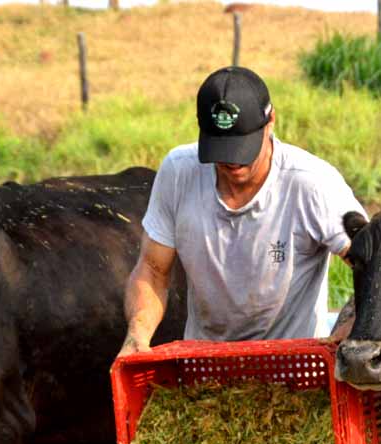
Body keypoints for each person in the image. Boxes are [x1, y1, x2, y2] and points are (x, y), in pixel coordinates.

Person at [117, 66, 364, 357]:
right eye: (222, 150)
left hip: (294, 364)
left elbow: (376, 265)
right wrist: (138, 333)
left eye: (242, 148)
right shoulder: (179, 172)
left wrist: (348, 325)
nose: (233, 163)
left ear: (270, 121)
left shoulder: (311, 184)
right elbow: (152, 269)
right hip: (206, 363)